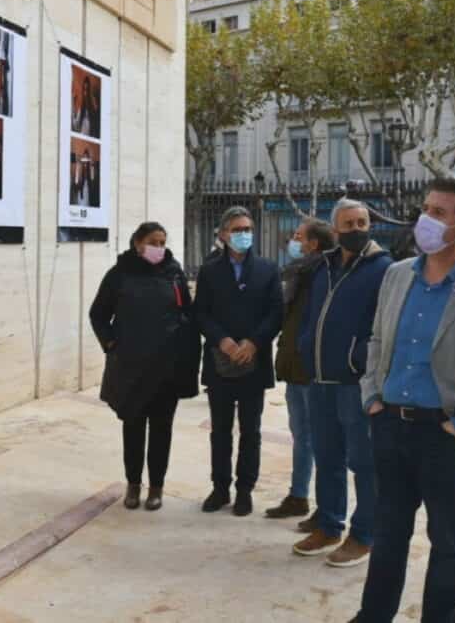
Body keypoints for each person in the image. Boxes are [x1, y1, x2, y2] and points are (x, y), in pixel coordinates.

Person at [350, 179, 455, 623]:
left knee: (448, 542)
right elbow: (377, 338)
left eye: (439, 213)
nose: (426, 219)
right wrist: (371, 396)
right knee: (388, 534)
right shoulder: (396, 274)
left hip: (444, 434)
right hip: (389, 425)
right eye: (426, 208)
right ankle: (374, 615)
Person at [294, 199, 392, 567]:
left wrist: (359, 359)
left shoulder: (384, 269)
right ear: (334, 230)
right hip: (319, 380)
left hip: (355, 383)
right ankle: (329, 524)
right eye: (348, 223)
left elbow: (385, 327)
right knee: (327, 456)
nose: (356, 229)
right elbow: (311, 316)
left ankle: (364, 534)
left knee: (363, 463)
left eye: (362, 222)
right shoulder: (324, 267)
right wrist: (306, 346)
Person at [89, 222, 200, 511]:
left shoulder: (174, 273)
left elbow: (186, 314)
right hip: (131, 368)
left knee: (162, 430)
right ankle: (133, 485)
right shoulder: (120, 274)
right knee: (134, 428)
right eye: (153, 241)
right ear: (138, 243)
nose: (159, 248)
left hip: (167, 368)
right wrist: (111, 344)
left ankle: (157, 488)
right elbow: (98, 313)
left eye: (163, 242)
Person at [195, 206, 283, 517]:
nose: (243, 234)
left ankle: (245, 490)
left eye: (247, 229)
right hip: (220, 361)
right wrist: (223, 340)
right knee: (220, 430)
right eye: (236, 229)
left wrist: (254, 342)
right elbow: (200, 313)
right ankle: (220, 488)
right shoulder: (208, 271)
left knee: (251, 430)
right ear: (222, 234)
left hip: (253, 363)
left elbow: (276, 313)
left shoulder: (268, 269)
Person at [265, 219, 335, 520]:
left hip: (312, 368)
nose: (292, 243)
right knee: (301, 435)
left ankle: (326, 506)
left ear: (313, 244)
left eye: (298, 237)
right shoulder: (300, 274)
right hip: (294, 365)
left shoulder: (323, 275)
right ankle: (298, 495)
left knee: (321, 439)